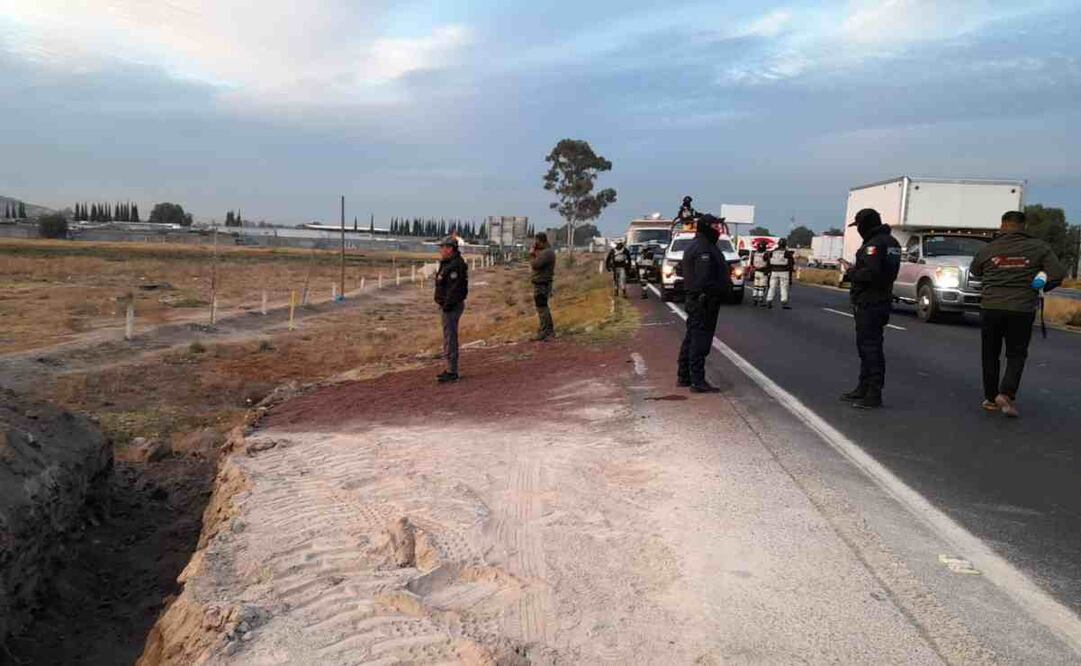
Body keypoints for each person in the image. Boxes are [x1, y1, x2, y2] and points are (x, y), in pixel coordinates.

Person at [969, 210, 1065, 417]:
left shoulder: (990, 248)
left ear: (1002, 226)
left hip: (991, 307)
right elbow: (1058, 274)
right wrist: (1039, 287)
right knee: (1016, 354)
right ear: (1025, 227)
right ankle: (1006, 393)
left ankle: (991, 398)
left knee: (990, 354)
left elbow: (975, 271)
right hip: (1022, 308)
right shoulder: (1039, 248)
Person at [839, 208, 901, 409]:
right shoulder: (891, 243)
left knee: (870, 348)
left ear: (865, 224)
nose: (858, 230)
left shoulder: (874, 245)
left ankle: (873, 392)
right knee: (868, 347)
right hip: (880, 299)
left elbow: (871, 273)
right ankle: (863, 387)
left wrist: (851, 271)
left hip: (869, 301)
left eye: (859, 226)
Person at [677, 215, 733, 393]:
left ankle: (684, 376)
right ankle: (697, 380)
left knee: (691, 338)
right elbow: (704, 279)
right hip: (703, 301)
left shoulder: (700, 244)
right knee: (700, 342)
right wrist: (717, 290)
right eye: (716, 225)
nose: (718, 228)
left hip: (698, 300)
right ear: (707, 227)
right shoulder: (704, 249)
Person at [433, 236, 468, 383]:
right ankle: (450, 369)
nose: (441, 250)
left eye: (443, 247)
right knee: (448, 336)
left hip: (451, 307)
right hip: (448, 305)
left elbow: (455, 290)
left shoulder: (455, 265)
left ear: (450, 249)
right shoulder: (448, 263)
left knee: (450, 337)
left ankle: (452, 371)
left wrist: (446, 305)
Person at [529, 232, 557, 341]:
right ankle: (546, 330)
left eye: (537, 242)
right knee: (542, 307)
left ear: (541, 241)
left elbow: (535, 265)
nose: (536, 244)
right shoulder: (547, 252)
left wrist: (531, 254)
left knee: (542, 308)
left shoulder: (547, 253)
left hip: (542, 284)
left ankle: (546, 330)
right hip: (542, 282)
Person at [763, 238, 795, 309]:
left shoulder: (772, 252)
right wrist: (790, 275)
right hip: (784, 272)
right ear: (785, 245)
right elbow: (791, 263)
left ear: (778, 244)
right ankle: (784, 302)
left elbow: (767, 261)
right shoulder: (787, 253)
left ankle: (769, 301)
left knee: (772, 287)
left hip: (774, 272)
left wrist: (767, 271)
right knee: (784, 287)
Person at [749, 239, 770, 306]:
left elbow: (752, 263)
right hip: (763, 272)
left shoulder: (755, 253)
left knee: (756, 286)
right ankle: (760, 299)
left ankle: (755, 298)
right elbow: (768, 263)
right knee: (762, 287)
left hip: (756, 272)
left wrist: (754, 268)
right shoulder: (766, 254)